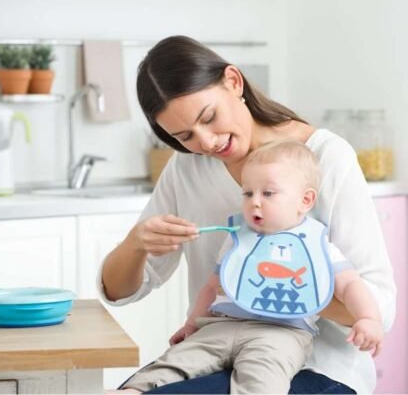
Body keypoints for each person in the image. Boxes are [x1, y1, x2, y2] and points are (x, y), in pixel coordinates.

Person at [99, 35, 396, 394]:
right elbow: (119, 292)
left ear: (233, 82)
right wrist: (136, 244)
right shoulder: (187, 166)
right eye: (184, 136)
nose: (206, 142)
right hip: (215, 344)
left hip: (314, 363)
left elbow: (381, 307)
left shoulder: (325, 157)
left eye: (209, 117)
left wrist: (272, 287)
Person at [117, 141, 384, 394]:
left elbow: (350, 284)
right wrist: (192, 323)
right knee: (178, 359)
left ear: (305, 200)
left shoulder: (317, 243)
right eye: (248, 193)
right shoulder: (237, 238)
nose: (255, 201)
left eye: (268, 193)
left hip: (282, 334)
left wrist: (368, 318)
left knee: (264, 379)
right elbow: (212, 286)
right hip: (221, 325)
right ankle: (133, 390)